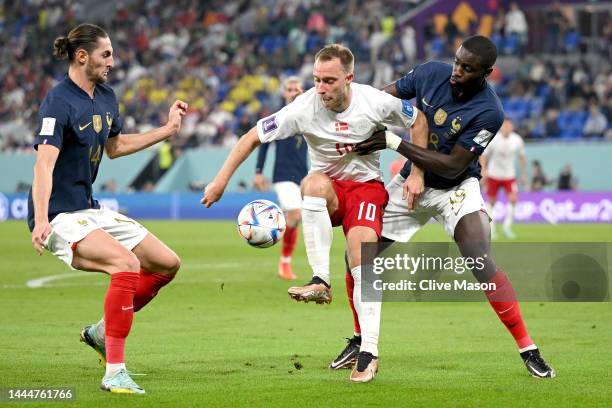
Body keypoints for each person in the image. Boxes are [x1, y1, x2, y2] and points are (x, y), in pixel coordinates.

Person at [202, 44, 428, 383]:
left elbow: (420, 120)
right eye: (317, 80)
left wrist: (417, 172)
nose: (321, 88)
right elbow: (252, 137)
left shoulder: (374, 102)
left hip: (366, 188)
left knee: (361, 255)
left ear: (349, 78)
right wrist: (221, 181)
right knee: (312, 183)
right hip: (331, 191)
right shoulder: (302, 107)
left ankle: (369, 351)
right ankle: (320, 279)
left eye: (329, 81)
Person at [349, 35, 555, 379]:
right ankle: (360, 342)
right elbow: (381, 97)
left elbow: (451, 166)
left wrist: (392, 141)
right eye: (457, 62)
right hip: (410, 185)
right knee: (358, 252)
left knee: (480, 259)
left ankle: (527, 347)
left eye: (468, 68)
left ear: (486, 73)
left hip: (455, 188)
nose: (457, 71)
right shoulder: (431, 73)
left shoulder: (490, 112)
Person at [28, 23, 188, 394]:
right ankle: (115, 371)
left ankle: (102, 332)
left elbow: (114, 147)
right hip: (60, 216)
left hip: (89, 208)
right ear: (82, 56)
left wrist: (167, 130)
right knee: (126, 264)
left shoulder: (106, 96)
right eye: (106, 54)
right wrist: (40, 219)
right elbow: (43, 165)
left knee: (167, 263)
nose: (112, 62)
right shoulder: (58, 101)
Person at [253, 77, 308, 280]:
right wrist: (258, 172)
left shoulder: (308, 115)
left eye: (297, 88)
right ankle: (284, 263)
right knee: (295, 214)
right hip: (283, 175)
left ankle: (273, 223)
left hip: (304, 175)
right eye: (290, 89)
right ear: (284, 93)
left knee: (300, 218)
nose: (293, 91)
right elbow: (263, 144)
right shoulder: (277, 117)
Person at [480, 118, 527, 239]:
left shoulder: (517, 140)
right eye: (505, 126)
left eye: (509, 126)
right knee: (491, 202)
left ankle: (507, 227)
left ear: (512, 127)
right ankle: (491, 229)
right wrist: (483, 170)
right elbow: (483, 155)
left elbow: (522, 156)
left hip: (509, 175)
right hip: (493, 175)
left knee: (513, 199)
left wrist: (523, 173)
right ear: (501, 127)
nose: (507, 128)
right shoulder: (492, 137)